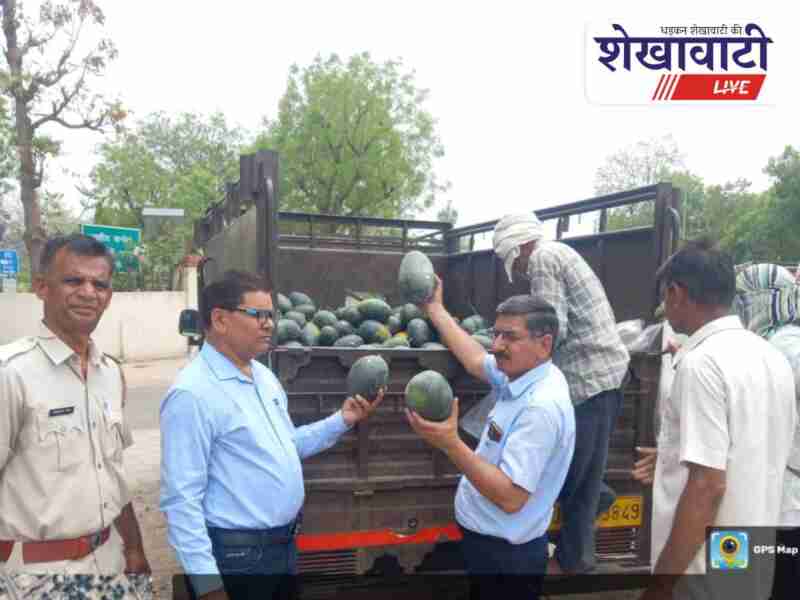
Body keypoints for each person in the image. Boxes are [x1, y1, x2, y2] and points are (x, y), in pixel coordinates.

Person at [160, 270, 382, 600]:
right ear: (220, 319)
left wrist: (343, 419)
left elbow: (287, 446)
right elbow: (181, 500)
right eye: (257, 315)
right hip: (238, 558)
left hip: (281, 547)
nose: (269, 324)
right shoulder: (192, 394)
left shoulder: (263, 376)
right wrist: (208, 585)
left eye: (271, 315)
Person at [638, 242, 796, 600]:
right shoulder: (770, 358)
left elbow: (708, 485)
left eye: (665, 295)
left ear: (676, 293)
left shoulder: (703, 363)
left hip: (703, 569)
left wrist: (662, 583)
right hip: (744, 557)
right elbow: (747, 453)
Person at [0, 234, 151, 593]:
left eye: (99, 284)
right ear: (41, 287)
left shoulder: (110, 373)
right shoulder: (11, 374)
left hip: (111, 564)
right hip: (36, 579)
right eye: (73, 280)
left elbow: (112, 473)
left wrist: (134, 548)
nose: (88, 292)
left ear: (109, 296)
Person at [407, 280, 575, 600]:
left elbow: (511, 497)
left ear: (545, 344)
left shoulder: (540, 406)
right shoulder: (521, 375)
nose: (496, 344)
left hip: (507, 558)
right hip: (491, 547)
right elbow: (473, 358)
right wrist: (434, 309)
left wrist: (450, 443)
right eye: (495, 333)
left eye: (509, 337)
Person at [492, 213, 629, 575]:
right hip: (597, 376)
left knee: (577, 477)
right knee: (575, 466)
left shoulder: (542, 259)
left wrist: (511, 352)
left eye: (514, 261)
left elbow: (554, 328)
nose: (518, 270)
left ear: (520, 248)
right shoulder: (555, 254)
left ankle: (574, 561)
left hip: (592, 377)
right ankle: (600, 497)